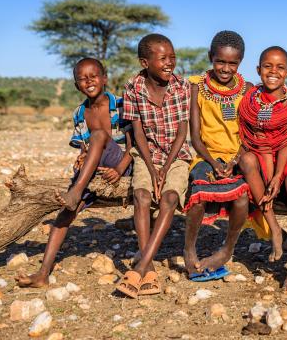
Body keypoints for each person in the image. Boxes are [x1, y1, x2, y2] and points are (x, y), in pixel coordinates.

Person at [16, 57, 132, 288]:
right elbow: (84, 149)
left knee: (98, 135)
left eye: (93, 76)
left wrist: (119, 169)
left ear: (105, 78)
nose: (88, 81)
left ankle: (75, 192)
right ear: (76, 84)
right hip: (97, 167)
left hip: (124, 163)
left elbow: (135, 145)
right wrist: (81, 159)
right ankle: (43, 273)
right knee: (65, 214)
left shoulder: (121, 105)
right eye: (82, 78)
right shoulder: (80, 113)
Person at [116, 34, 191, 298]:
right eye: (163, 58)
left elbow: (182, 133)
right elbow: (137, 133)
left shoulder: (181, 86)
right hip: (146, 154)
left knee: (170, 198)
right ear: (145, 62)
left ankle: (142, 265)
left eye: (172, 57)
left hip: (176, 154)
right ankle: (149, 270)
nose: (170, 63)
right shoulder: (132, 88)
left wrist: (164, 168)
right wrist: (151, 168)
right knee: (141, 196)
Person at [183, 30, 256, 281]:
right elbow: (195, 136)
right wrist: (213, 162)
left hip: (237, 155)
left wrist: (235, 160)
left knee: (241, 198)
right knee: (199, 193)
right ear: (210, 57)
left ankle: (227, 249)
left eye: (232, 63)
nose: (225, 68)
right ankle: (189, 248)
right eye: (220, 61)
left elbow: (249, 132)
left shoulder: (247, 89)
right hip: (206, 155)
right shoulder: (196, 87)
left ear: (240, 62)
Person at [238, 46, 287, 289]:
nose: (273, 71)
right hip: (260, 151)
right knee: (246, 161)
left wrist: (278, 174)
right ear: (258, 69)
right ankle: (275, 228)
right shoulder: (250, 99)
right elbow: (254, 138)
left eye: (279, 67)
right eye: (267, 66)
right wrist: (268, 171)